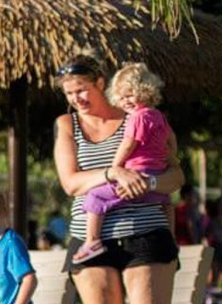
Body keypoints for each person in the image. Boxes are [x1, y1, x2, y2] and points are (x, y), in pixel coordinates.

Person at [52, 54, 196, 304]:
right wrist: (114, 174)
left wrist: (147, 180)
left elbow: (176, 176)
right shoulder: (67, 126)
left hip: (144, 235)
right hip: (91, 239)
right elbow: (70, 183)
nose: (77, 98)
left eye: (83, 89)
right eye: (69, 93)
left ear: (102, 82)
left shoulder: (143, 115)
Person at [73, 63, 174, 264]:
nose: (125, 101)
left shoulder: (137, 118)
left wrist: (115, 167)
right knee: (166, 203)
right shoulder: (158, 116)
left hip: (136, 174)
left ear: (143, 92)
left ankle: (92, 241)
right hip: (154, 177)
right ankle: (172, 238)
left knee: (96, 196)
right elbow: (171, 143)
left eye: (129, 95)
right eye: (121, 97)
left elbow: (128, 144)